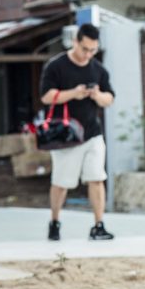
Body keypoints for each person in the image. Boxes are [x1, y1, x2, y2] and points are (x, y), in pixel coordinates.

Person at [39, 23, 116, 241]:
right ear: (75, 42)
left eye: (93, 50)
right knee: (62, 182)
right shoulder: (56, 66)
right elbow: (46, 96)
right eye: (85, 49)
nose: (88, 54)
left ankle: (98, 225)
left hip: (92, 133)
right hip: (66, 136)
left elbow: (110, 98)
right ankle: (55, 221)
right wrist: (74, 93)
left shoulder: (99, 69)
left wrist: (97, 95)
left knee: (97, 178)